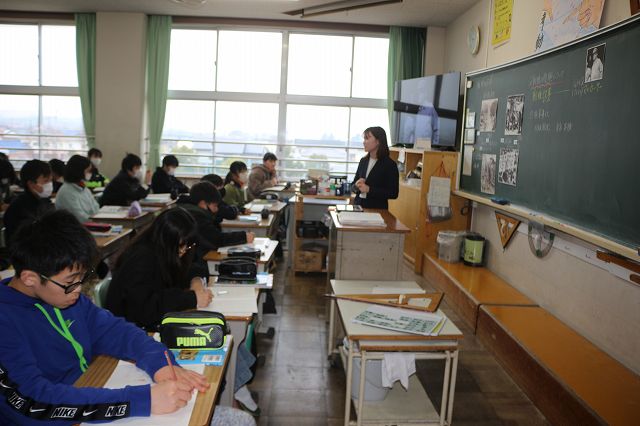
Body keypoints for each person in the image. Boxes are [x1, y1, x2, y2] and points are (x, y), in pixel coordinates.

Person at [0, 209, 253, 425]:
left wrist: (160, 363)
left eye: (82, 278)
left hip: (91, 397)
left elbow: (117, 332)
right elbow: (31, 403)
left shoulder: (64, 298)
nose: (78, 290)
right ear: (30, 278)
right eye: (70, 282)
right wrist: (142, 400)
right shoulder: (7, 321)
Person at [105, 205, 260, 417]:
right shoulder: (141, 259)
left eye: (187, 245)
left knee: (222, 336)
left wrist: (195, 281)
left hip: (156, 322)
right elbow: (145, 309)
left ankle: (236, 386)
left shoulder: (164, 250)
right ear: (167, 240)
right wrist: (192, 298)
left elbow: (192, 266)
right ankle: (233, 391)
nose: (184, 251)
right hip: (140, 332)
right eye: (181, 246)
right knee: (215, 337)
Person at [177, 181, 254, 255]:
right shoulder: (195, 216)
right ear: (203, 204)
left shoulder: (190, 209)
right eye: (215, 206)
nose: (217, 209)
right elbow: (216, 239)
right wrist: (244, 237)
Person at [3, 160, 54, 243]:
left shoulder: (45, 201)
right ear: (31, 184)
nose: (49, 185)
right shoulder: (19, 208)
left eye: (50, 181)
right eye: (45, 181)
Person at [351, 126, 399, 209]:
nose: (364, 142)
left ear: (378, 141)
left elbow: (393, 193)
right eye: (364, 139)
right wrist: (356, 185)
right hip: (358, 207)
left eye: (367, 138)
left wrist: (369, 189)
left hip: (377, 210)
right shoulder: (363, 161)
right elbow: (353, 186)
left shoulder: (390, 165)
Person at [55, 155, 100, 223]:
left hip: (90, 224)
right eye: (88, 171)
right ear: (79, 171)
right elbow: (79, 218)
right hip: (75, 227)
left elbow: (96, 208)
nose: (90, 174)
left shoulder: (84, 188)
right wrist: (99, 222)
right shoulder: (66, 192)